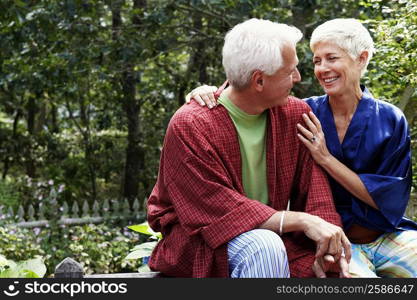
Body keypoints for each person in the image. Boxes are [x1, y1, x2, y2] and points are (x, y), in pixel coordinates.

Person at [187, 18, 417, 278]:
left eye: (332, 58)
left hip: (387, 238)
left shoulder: (390, 119)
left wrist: (326, 158)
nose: (322, 69)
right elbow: (251, 89)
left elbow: (388, 198)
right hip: (333, 243)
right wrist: (211, 92)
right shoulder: (304, 113)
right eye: (317, 61)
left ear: (362, 58)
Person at [147, 18, 351, 278]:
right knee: (263, 246)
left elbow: (315, 193)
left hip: (274, 237)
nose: (298, 78)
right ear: (259, 81)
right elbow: (218, 208)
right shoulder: (191, 125)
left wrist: (329, 242)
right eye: (290, 72)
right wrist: (300, 220)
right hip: (201, 242)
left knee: (330, 270)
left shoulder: (295, 114)